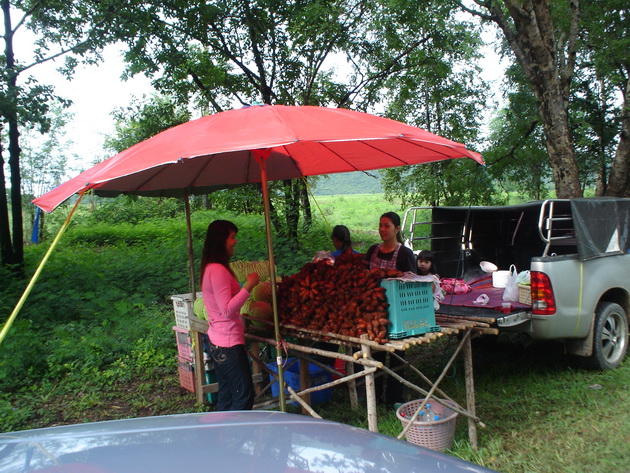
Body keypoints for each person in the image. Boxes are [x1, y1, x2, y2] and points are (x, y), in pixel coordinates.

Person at [200, 219, 260, 411]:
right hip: (228, 344)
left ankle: (220, 436)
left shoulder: (211, 267)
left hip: (219, 341)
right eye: (232, 237)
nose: (235, 241)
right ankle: (236, 438)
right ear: (221, 240)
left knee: (226, 395)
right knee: (243, 396)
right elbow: (226, 310)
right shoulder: (217, 270)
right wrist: (249, 285)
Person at [365, 212, 417, 408]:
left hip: (397, 311)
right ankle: (375, 396)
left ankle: (395, 398)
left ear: (396, 229)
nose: (382, 230)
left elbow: (412, 280)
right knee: (375, 354)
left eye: (386, 226)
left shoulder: (404, 253)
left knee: (396, 356)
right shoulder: (373, 250)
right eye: (380, 225)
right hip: (373, 310)